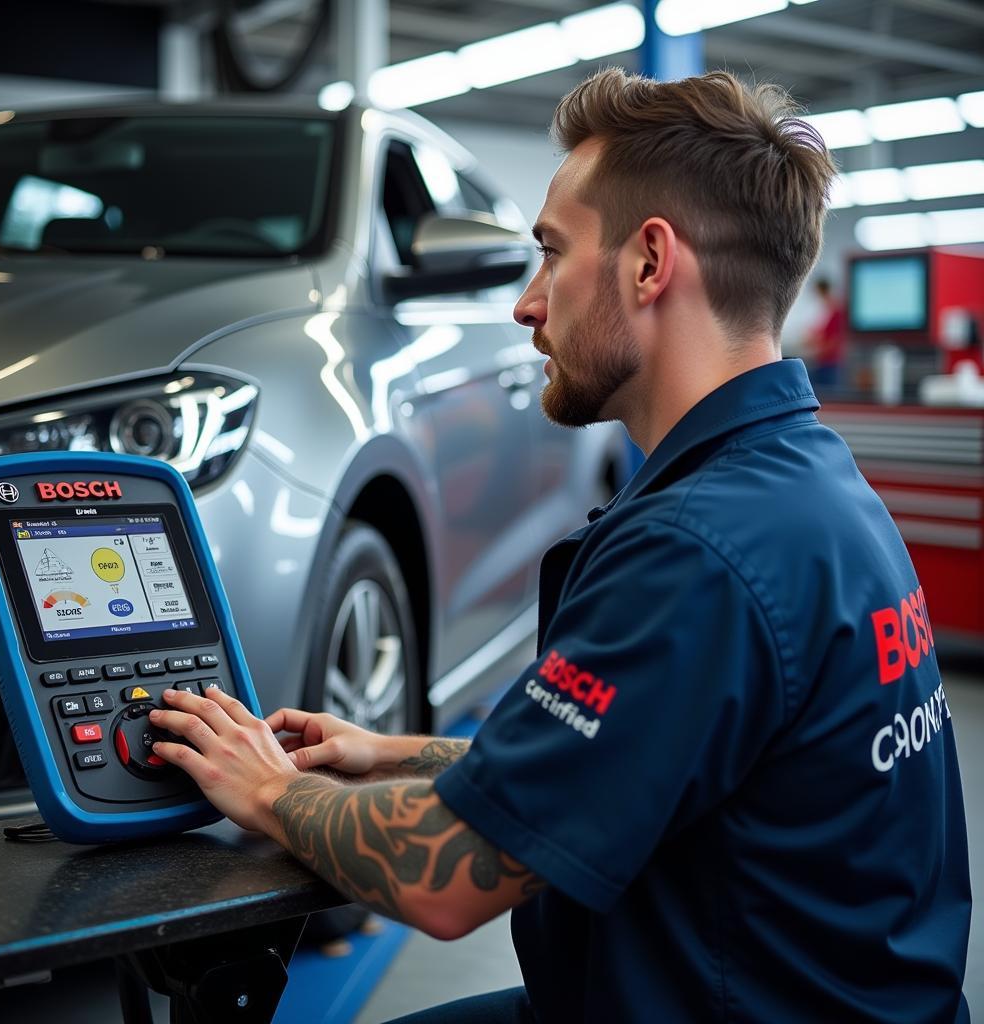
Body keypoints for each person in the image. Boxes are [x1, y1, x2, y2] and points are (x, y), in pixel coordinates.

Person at [149, 69, 971, 1023]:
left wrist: (263, 791)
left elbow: (443, 877)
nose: (526, 304)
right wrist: (390, 754)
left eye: (550, 253)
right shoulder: (815, 486)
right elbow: (635, 753)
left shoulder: (698, 551)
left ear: (649, 264)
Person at [803, 276, 845, 394]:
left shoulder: (836, 311)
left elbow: (835, 341)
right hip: (823, 362)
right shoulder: (827, 310)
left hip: (830, 363)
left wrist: (816, 350)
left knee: (829, 396)